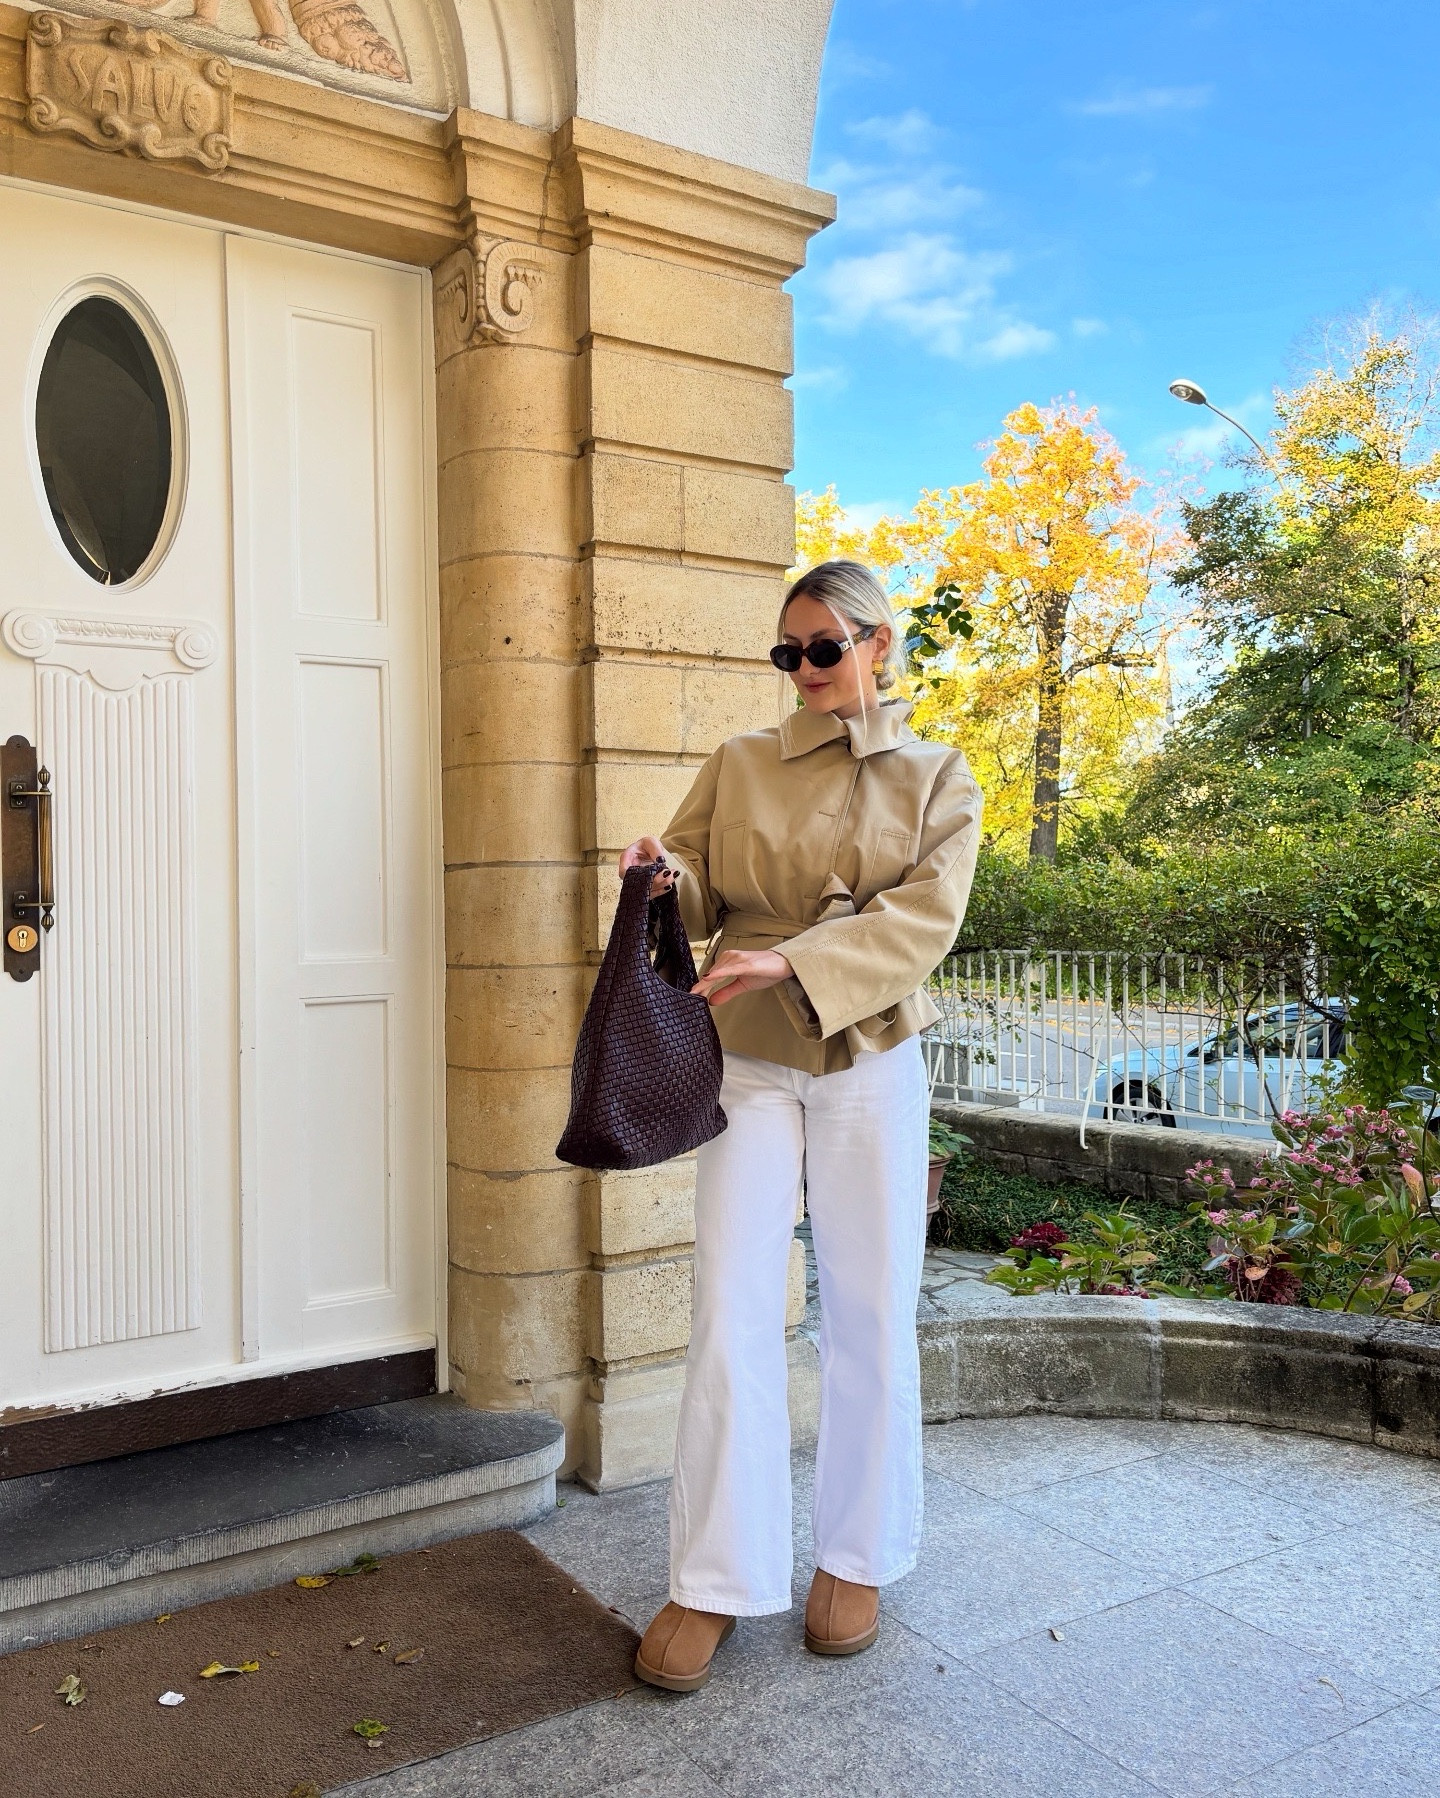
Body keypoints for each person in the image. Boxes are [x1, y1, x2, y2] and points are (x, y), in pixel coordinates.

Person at [618, 559, 983, 1693]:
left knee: (871, 1307)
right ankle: (714, 1576)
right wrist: (652, 882)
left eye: (824, 647)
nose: (804, 670)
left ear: (880, 645)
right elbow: (692, 900)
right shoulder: (738, 765)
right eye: (788, 653)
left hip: (873, 1052)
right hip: (749, 1055)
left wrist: (799, 956)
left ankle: (858, 1553)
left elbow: (927, 922)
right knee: (732, 1307)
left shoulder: (939, 777)